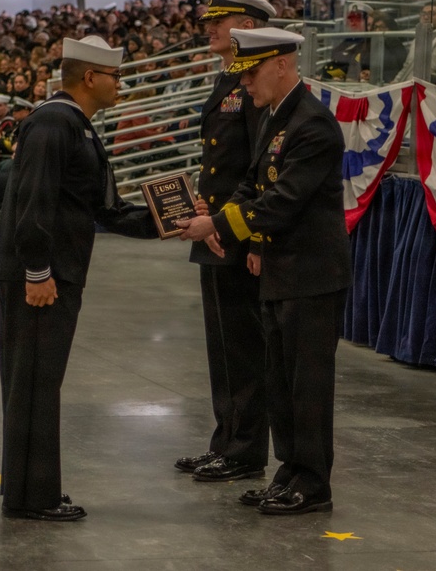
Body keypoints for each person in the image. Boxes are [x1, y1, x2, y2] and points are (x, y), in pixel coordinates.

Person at [179, 27, 352, 515]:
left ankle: (313, 481)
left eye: (252, 73)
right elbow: (252, 186)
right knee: (279, 382)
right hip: (281, 270)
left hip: (312, 275)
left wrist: (218, 224)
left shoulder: (312, 124)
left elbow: (281, 201)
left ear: (282, 64)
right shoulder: (276, 119)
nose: (246, 85)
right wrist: (222, 224)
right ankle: (290, 470)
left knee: (308, 385)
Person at [0, 35, 158, 522]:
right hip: (40, 276)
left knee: (39, 381)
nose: (120, 84)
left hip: (52, 272)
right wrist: (38, 272)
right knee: (34, 383)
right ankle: (31, 497)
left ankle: (32, 489)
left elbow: (103, 208)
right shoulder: (53, 123)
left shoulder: (74, 125)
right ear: (90, 77)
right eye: (115, 76)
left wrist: (171, 221)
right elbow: (33, 203)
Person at [174, 0, 275, 484]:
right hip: (213, 226)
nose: (208, 27)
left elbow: (259, 167)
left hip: (235, 229)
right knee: (222, 345)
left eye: (219, 20)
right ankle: (227, 439)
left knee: (242, 345)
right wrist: (200, 203)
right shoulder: (229, 79)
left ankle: (246, 449)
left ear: (249, 27)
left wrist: (247, 235)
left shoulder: (256, 82)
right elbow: (218, 160)